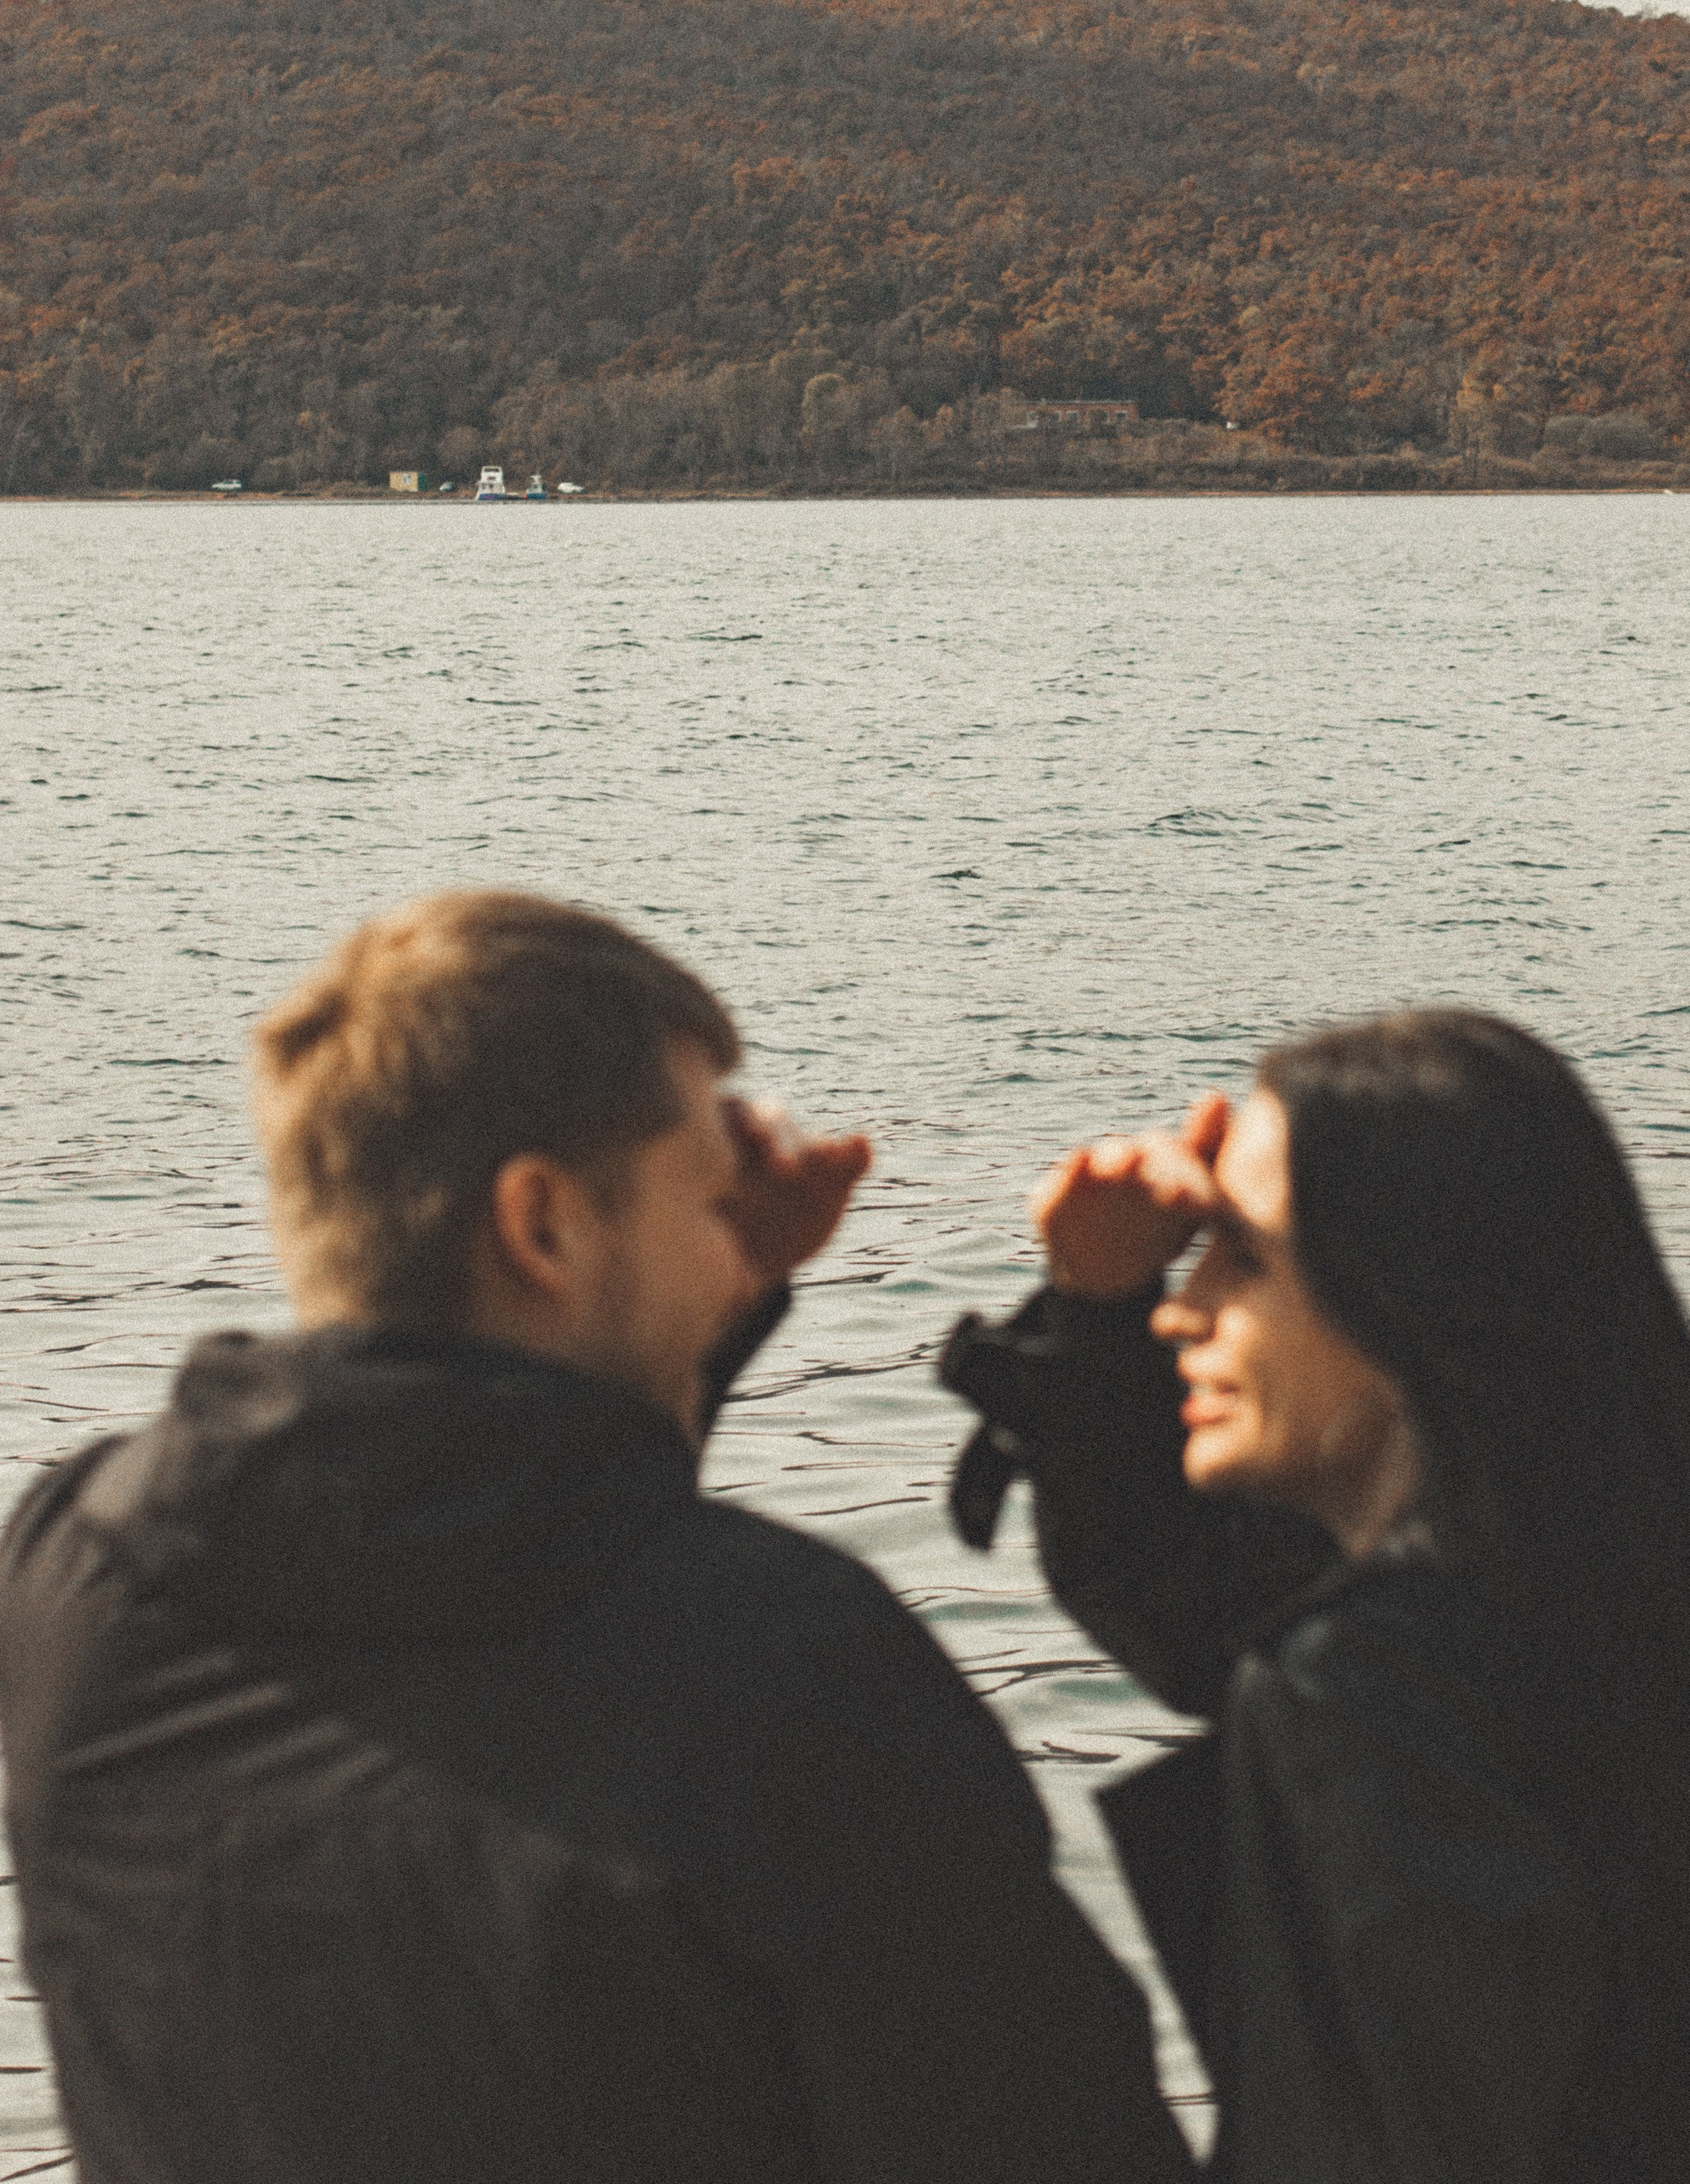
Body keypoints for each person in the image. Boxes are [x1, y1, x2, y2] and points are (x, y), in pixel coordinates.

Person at [0, 891, 1191, 2184]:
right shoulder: (793, 1670)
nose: (730, 1239)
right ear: (542, 1224)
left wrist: (697, 1310)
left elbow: (506, 1564)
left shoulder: (74, 1576)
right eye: (702, 1189)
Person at [944, 1010, 1690, 2182]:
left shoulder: (1378, 1687)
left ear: (1402, 1304)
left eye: (1243, 1256)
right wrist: (1098, 1306)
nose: (1187, 1305)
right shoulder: (1682, 1606)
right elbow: (1213, 1605)